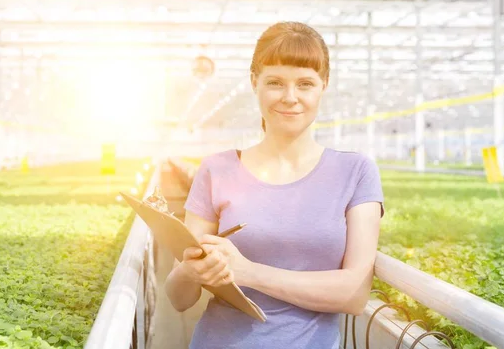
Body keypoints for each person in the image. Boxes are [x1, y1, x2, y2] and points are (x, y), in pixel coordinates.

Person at [164, 21, 385, 349]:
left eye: (305, 83)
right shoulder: (217, 169)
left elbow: (353, 295)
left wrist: (247, 272)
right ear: (255, 83)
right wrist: (192, 271)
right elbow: (179, 298)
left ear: (324, 85)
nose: (290, 97)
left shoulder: (356, 172)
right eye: (275, 83)